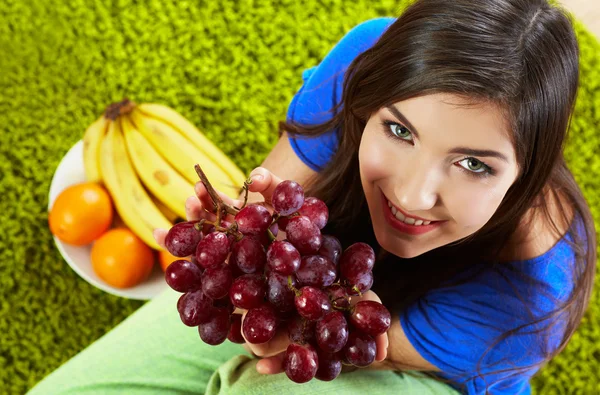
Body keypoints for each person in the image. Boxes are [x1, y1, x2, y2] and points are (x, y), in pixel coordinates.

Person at [28, 0, 596, 394]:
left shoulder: (534, 291)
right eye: (399, 131)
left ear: (526, 175)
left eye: (473, 164)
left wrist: (278, 331)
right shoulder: (369, 55)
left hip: (409, 363)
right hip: (312, 290)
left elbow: (356, 341)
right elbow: (276, 196)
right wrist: (241, 235)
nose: (411, 193)